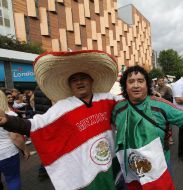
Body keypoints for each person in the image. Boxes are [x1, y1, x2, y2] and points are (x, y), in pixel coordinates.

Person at [0, 50, 123, 190]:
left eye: (83, 78)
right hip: (86, 170)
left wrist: (151, 100)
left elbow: (129, 105)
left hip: (111, 161)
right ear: (70, 85)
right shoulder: (63, 107)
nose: (79, 82)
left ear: (91, 80)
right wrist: (8, 121)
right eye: (74, 80)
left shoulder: (107, 99)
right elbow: (34, 125)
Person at [0, 90, 30, 190]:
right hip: (7, 153)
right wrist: (25, 149)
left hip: (5, 152)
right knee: (13, 179)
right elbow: (15, 137)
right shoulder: (9, 115)